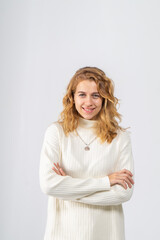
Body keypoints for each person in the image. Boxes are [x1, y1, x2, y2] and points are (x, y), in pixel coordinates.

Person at [39, 66, 135, 240]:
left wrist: (68, 190)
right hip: (62, 234)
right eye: (82, 94)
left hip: (107, 233)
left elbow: (123, 193)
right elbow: (49, 185)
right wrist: (106, 182)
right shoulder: (57, 133)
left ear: (105, 99)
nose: (89, 102)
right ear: (72, 97)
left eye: (96, 95)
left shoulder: (120, 137)